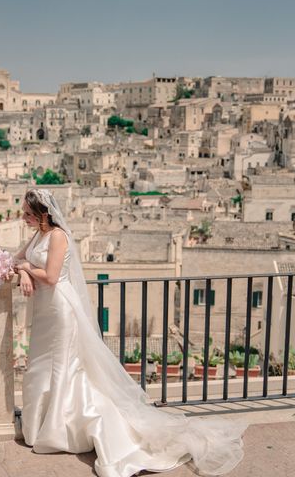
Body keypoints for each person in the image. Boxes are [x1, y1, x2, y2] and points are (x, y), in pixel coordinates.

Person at [14, 188, 246, 477]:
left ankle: (61, 429)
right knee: (40, 365)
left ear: (43, 214)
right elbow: (17, 259)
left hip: (60, 308)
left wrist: (26, 266)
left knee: (63, 367)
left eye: (27, 213)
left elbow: (50, 275)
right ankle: (43, 424)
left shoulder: (59, 236)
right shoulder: (37, 235)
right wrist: (22, 270)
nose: (23, 217)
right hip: (44, 311)